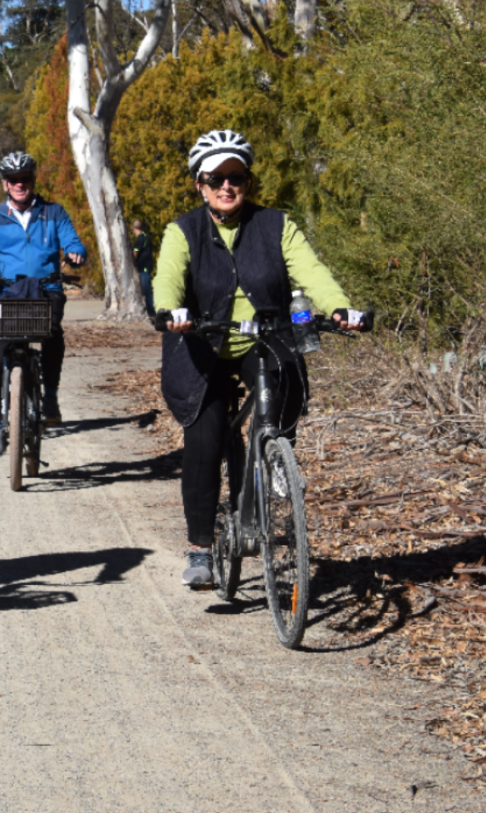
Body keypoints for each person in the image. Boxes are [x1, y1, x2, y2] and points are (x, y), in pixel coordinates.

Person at [154, 130, 365, 589]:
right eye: (215, 178)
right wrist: (171, 310)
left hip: (262, 336)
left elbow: (311, 269)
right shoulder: (183, 230)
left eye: (236, 177)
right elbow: (168, 275)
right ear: (199, 184)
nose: (226, 187)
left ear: (247, 181)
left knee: (284, 375)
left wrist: (339, 306)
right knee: (206, 436)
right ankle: (201, 549)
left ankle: (272, 456)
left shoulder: (275, 225)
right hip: (201, 343)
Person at [0, 152, 87, 457]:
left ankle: (51, 396)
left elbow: (72, 240)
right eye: (14, 180)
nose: (20, 185)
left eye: (25, 179)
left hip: (47, 289)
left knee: (53, 332)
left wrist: (75, 252)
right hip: (7, 293)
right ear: (5, 184)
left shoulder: (54, 212)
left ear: (32, 181)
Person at [131, 219, 154, 315]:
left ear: (133, 228)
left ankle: (151, 313)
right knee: (144, 290)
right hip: (146, 266)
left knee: (146, 290)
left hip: (143, 267)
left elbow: (135, 253)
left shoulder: (141, 238)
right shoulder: (146, 236)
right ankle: (150, 311)